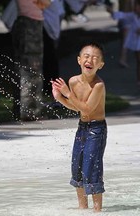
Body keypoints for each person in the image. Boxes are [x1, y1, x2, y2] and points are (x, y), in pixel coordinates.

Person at [50, 42, 107, 212]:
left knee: (92, 168)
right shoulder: (73, 82)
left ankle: (98, 211)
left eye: (95, 58)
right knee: (77, 166)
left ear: (100, 65)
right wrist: (60, 98)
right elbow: (77, 106)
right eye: (87, 56)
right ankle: (82, 208)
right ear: (79, 60)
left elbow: (88, 108)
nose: (90, 60)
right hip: (82, 127)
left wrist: (67, 94)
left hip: (97, 129)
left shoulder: (98, 85)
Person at [11, 0, 51, 121]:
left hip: (23, 22)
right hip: (31, 24)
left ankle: (19, 110)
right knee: (32, 69)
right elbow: (45, 3)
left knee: (21, 68)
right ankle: (30, 111)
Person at [107, 0, 140, 85]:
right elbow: (121, 15)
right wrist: (111, 12)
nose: (137, 8)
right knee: (138, 61)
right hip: (137, 43)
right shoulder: (132, 16)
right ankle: (138, 80)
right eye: (136, 6)